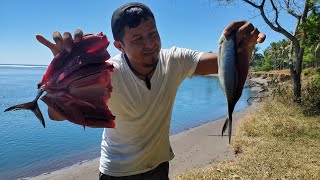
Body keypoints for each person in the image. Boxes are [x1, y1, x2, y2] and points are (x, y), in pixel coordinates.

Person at [36, 2, 266, 180]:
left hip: (159, 165)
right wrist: (59, 75)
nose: (150, 44)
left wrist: (242, 47)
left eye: (153, 33)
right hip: (117, 172)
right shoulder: (107, 74)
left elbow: (222, 63)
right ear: (119, 46)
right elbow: (56, 115)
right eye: (137, 38)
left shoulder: (174, 60)